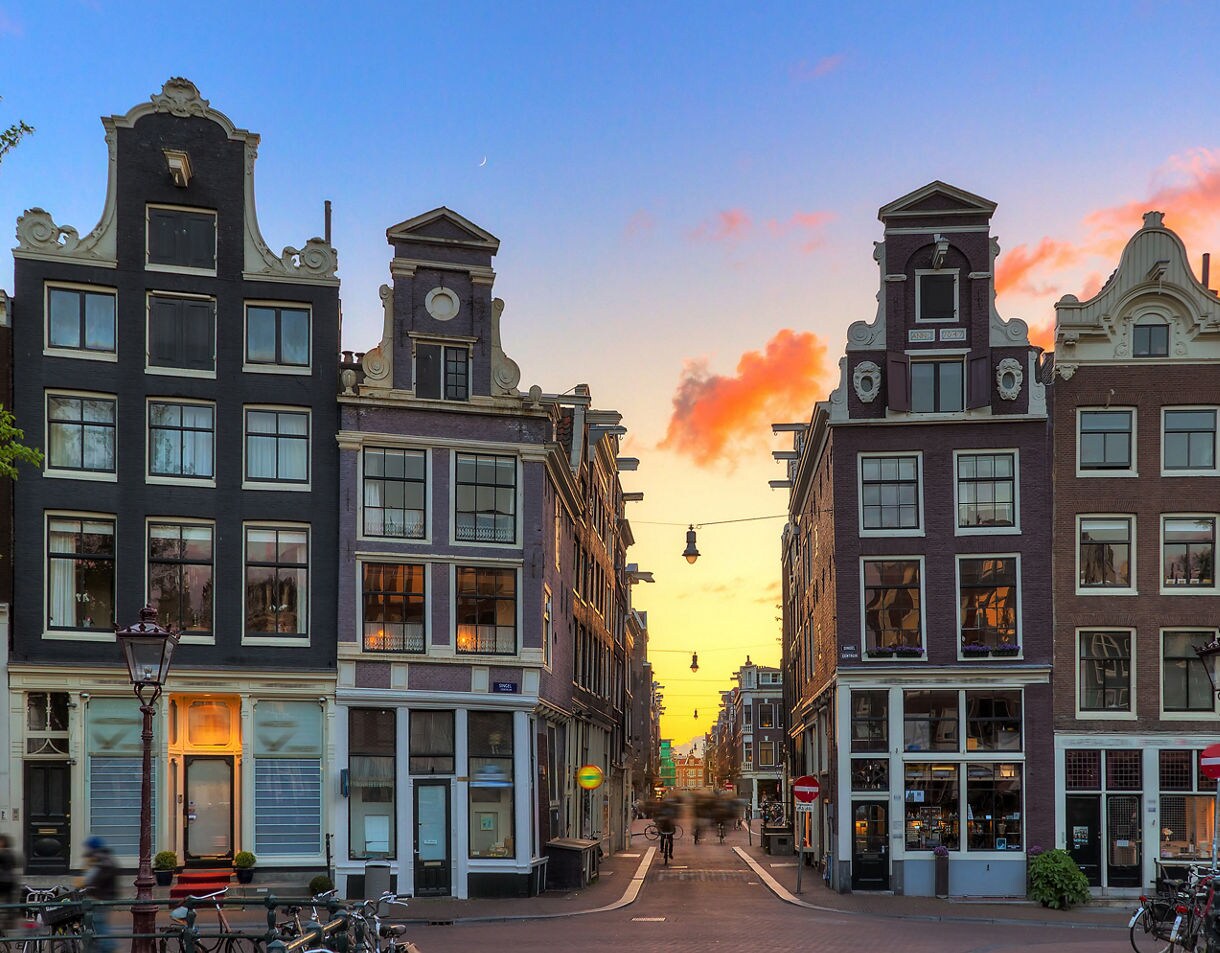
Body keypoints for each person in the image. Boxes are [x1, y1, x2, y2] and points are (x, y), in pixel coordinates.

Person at [80, 836, 116, 953]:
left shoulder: (103, 862)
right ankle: (101, 947)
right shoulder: (102, 859)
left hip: (101, 898)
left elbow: (95, 879)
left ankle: (108, 948)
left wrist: (88, 886)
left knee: (99, 923)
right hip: (101, 897)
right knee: (97, 923)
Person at [0, 833, 18, 935]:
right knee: (9, 902)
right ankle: (9, 920)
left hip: (4, 881)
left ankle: (8, 921)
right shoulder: (10, 853)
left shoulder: (5, 853)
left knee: (8, 902)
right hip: (9, 881)